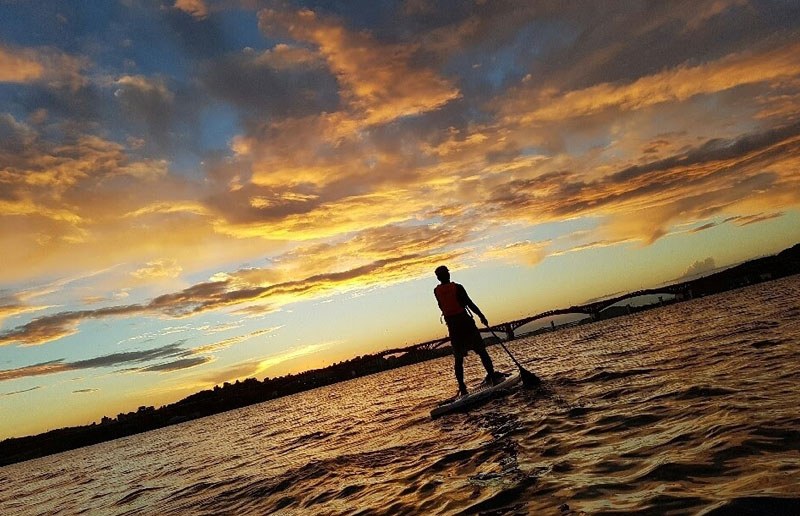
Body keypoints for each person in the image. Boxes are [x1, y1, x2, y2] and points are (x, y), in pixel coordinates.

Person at [434, 265, 506, 396]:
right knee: (481, 351)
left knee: (458, 358)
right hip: (465, 323)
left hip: (453, 327)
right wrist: (481, 315)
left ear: (438, 278)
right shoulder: (458, 287)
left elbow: (441, 306)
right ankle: (493, 377)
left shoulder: (436, 291)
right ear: (448, 275)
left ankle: (462, 388)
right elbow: (469, 303)